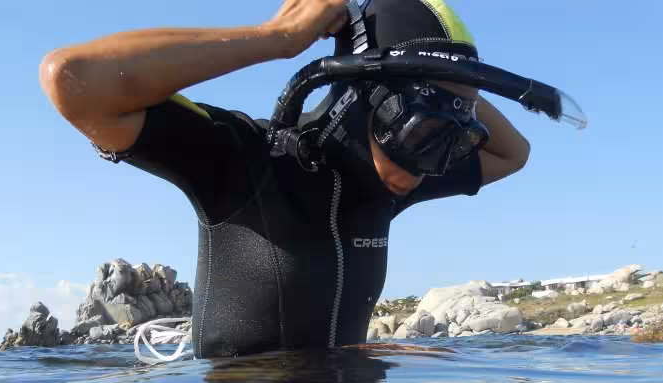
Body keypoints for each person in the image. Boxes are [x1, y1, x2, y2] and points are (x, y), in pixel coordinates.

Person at [40, 0, 532, 358]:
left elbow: (514, 152)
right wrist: (278, 38)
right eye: (425, 132)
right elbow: (73, 79)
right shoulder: (242, 156)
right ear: (362, 99)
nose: (437, 164)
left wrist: (450, 81)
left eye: (458, 139)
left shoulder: (391, 181)